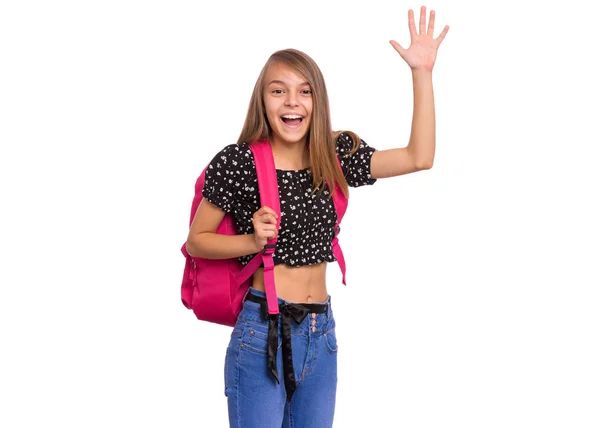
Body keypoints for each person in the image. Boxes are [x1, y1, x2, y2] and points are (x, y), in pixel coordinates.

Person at [185, 6, 449, 427]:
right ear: (263, 99)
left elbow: (420, 157)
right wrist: (250, 242)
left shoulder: (335, 154)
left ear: (317, 100)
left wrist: (422, 72)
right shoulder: (239, 162)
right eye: (278, 91)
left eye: (304, 91)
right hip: (261, 332)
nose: (292, 102)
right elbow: (197, 240)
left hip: (320, 333)